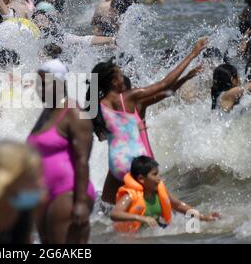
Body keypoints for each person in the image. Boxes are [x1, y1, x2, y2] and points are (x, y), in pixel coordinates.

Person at [88, 38, 208, 203]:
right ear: (114, 82)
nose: (123, 77)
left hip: (116, 163)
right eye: (120, 74)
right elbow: (165, 84)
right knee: (153, 205)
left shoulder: (97, 105)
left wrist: (186, 78)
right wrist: (192, 54)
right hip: (138, 162)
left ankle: (109, 227)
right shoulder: (129, 98)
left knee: (108, 203)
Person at [27, 59, 95, 243]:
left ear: (59, 82)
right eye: (37, 83)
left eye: (44, 83)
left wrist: (80, 202)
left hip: (69, 191)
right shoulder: (47, 112)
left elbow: (83, 159)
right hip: (43, 194)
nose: (39, 88)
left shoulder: (73, 112)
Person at [111, 156, 220, 232]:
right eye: (155, 174)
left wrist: (203, 217)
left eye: (158, 174)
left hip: (153, 234)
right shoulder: (130, 196)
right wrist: (141, 218)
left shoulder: (158, 192)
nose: (159, 178)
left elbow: (178, 205)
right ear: (141, 178)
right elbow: (115, 214)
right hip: (132, 237)